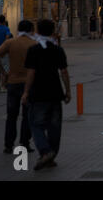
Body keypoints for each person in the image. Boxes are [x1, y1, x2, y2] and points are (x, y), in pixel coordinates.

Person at [22, 19, 71, 170]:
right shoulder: (58, 50)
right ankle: (51, 157)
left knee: (36, 124)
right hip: (55, 93)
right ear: (52, 32)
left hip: (38, 93)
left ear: (37, 31)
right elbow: (64, 72)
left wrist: (26, 92)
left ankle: (45, 152)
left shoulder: (34, 50)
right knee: (55, 127)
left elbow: (31, 73)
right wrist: (68, 90)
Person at [0, 20, 37, 154]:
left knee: (11, 116)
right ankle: (24, 143)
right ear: (31, 30)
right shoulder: (34, 44)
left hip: (12, 82)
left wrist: (4, 73)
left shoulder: (10, 43)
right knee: (27, 115)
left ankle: (8, 144)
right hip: (28, 84)